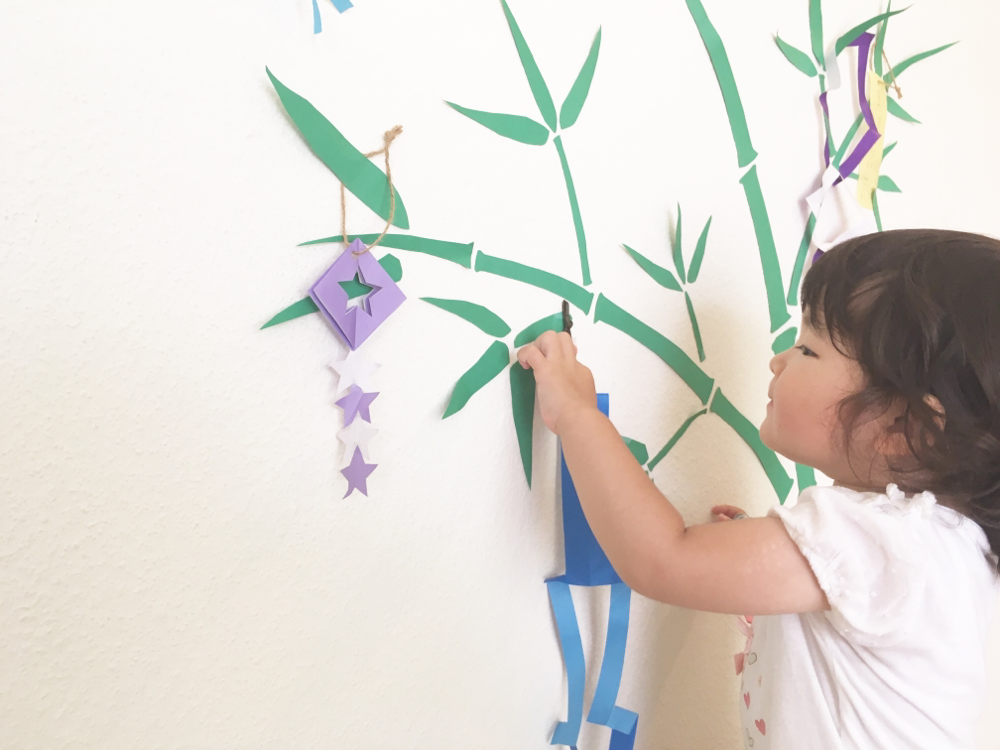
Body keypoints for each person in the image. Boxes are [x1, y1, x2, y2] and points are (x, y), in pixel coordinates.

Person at [516, 229, 1000, 749]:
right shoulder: (940, 550)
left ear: (903, 431)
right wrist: (758, 548)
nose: (778, 360)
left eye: (808, 349)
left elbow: (663, 558)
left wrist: (576, 414)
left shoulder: (880, 541)